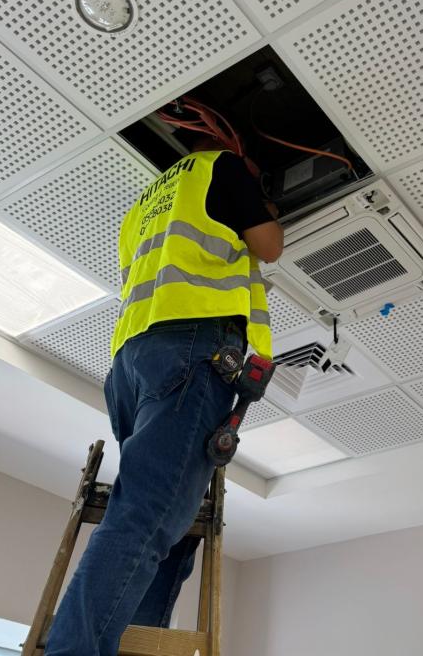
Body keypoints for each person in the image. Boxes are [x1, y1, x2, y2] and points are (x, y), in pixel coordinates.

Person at [45, 131, 283, 656]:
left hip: (133, 360)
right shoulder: (223, 166)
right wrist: (262, 206)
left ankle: (134, 643)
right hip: (191, 348)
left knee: (170, 512)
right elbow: (268, 245)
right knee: (149, 515)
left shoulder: (142, 207)